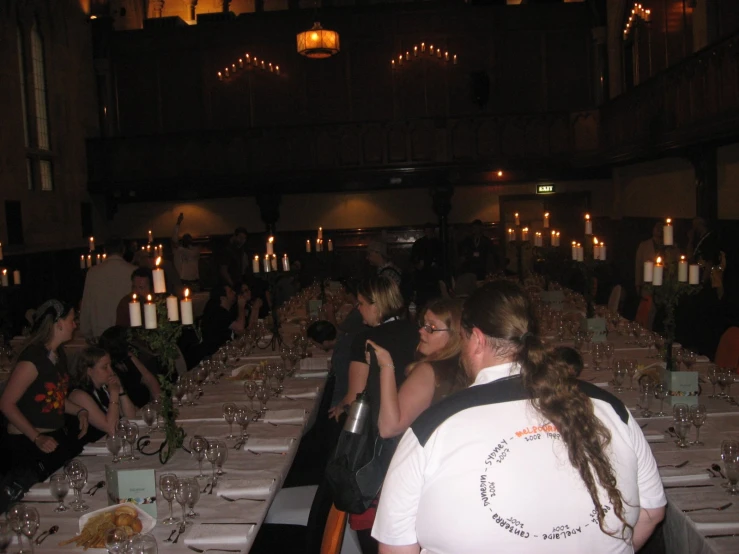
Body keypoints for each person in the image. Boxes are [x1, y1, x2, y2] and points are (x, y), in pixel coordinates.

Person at [372, 281, 666, 553]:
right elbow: (652, 512)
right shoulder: (610, 407)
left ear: (475, 339)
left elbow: (395, 547)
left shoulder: (433, 426)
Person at [329, 276, 418, 554]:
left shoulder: (365, 340)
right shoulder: (416, 331)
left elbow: (356, 395)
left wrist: (339, 408)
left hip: (379, 433)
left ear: (377, 305)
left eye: (362, 304)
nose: (358, 309)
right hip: (412, 426)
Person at [0, 300, 90, 480]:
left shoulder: (58, 354)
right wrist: (37, 437)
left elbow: (55, 397)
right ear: (58, 323)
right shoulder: (33, 359)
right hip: (29, 442)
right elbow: (6, 404)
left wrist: (80, 411)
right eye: (72, 320)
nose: (75, 324)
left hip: (51, 437)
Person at [368, 297, 467, 440]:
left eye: (431, 328)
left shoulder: (429, 371)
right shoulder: (465, 369)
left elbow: (389, 428)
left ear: (455, 335)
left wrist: (386, 366)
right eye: (423, 324)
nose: (421, 330)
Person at [68, 347, 137, 443]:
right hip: (88, 450)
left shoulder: (104, 387)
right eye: (105, 367)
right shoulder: (79, 395)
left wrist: (120, 390)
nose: (111, 372)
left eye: (110, 366)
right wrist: (113, 393)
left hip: (108, 444)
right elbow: (111, 429)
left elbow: (131, 417)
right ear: (89, 371)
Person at [79, 237, 137, 338]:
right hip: (127, 332)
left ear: (105, 250)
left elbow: (87, 304)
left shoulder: (93, 273)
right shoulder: (133, 271)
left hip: (101, 332)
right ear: (123, 250)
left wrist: (85, 330)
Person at [98, 326, 162, 407]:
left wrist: (159, 400)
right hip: (131, 410)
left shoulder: (128, 356)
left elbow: (148, 377)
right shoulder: (108, 367)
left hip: (146, 407)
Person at [200, 284, 247, 357]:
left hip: (224, 351)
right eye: (231, 292)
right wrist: (241, 307)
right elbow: (240, 328)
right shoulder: (217, 312)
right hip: (215, 355)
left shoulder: (224, 310)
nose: (234, 293)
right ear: (222, 298)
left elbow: (239, 332)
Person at [411, 224, 442, 308]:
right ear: (424, 232)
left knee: (434, 298)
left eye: (430, 231)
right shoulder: (419, 243)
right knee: (422, 299)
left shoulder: (438, 243)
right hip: (421, 276)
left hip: (433, 275)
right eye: (426, 231)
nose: (428, 233)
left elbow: (442, 258)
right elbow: (413, 258)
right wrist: (417, 264)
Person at [172, 213, 202, 290]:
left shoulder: (195, 250)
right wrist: (178, 223)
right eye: (186, 239)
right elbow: (174, 239)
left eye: (189, 239)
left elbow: (191, 253)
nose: (188, 240)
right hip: (183, 280)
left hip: (194, 279)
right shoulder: (179, 251)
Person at [635, 222, 663, 293]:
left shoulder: (668, 247)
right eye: (657, 227)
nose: (659, 229)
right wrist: (638, 283)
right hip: (648, 285)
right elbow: (639, 265)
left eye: (661, 227)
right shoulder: (644, 245)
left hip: (663, 286)